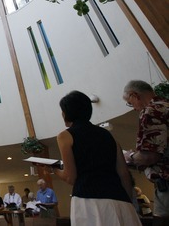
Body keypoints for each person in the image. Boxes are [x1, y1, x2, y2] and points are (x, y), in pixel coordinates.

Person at [54, 90, 141, 226]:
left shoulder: (65, 136)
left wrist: (52, 170)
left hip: (88, 201)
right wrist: (128, 202)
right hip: (120, 200)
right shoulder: (108, 136)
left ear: (66, 112)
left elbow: (71, 177)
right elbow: (124, 174)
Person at [123, 80, 169, 225]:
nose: (134, 108)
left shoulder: (151, 111)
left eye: (130, 103)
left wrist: (130, 156)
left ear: (134, 95)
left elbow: (149, 156)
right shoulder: (166, 106)